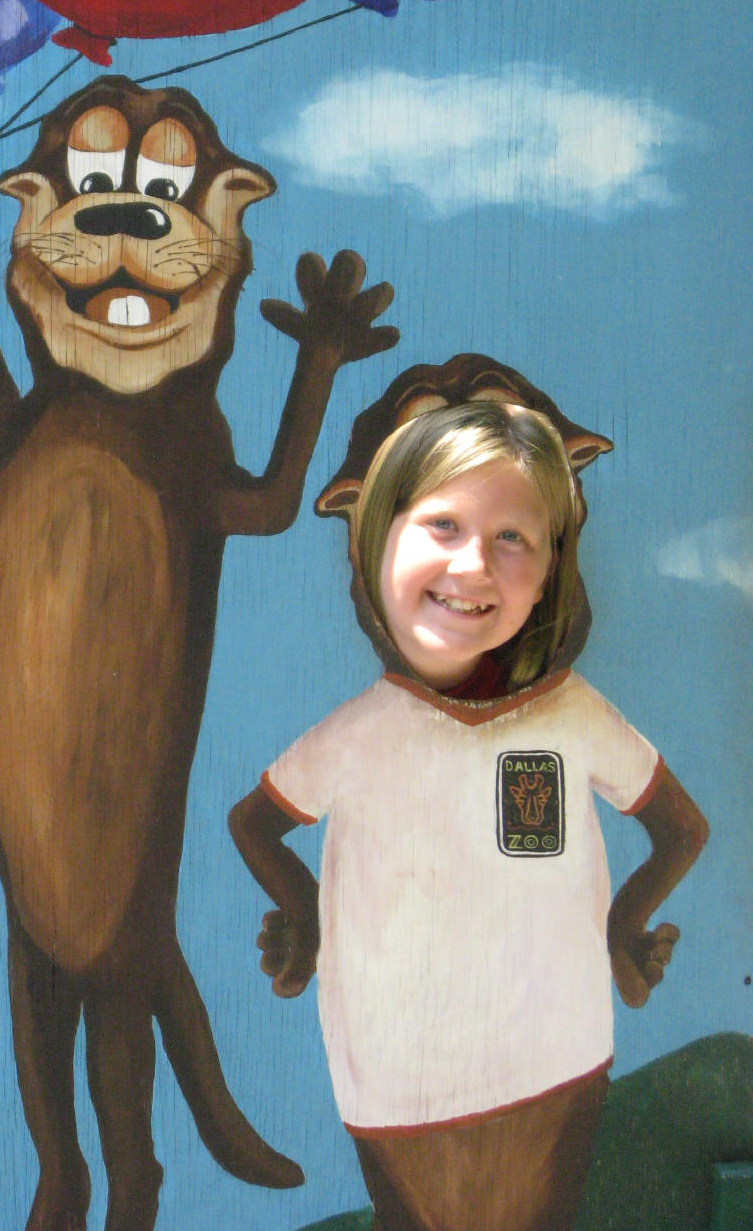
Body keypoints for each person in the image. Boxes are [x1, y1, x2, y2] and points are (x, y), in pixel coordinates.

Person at [229, 395, 709, 1231]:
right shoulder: (361, 733)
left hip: (556, 1062)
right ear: (375, 538)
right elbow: (255, 824)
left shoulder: (572, 716)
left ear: (553, 566)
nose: (474, 565)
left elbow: (681, 830)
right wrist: (305, 919)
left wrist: (622, 929)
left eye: (512, 537)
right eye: (443, 524)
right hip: (394, 1078)